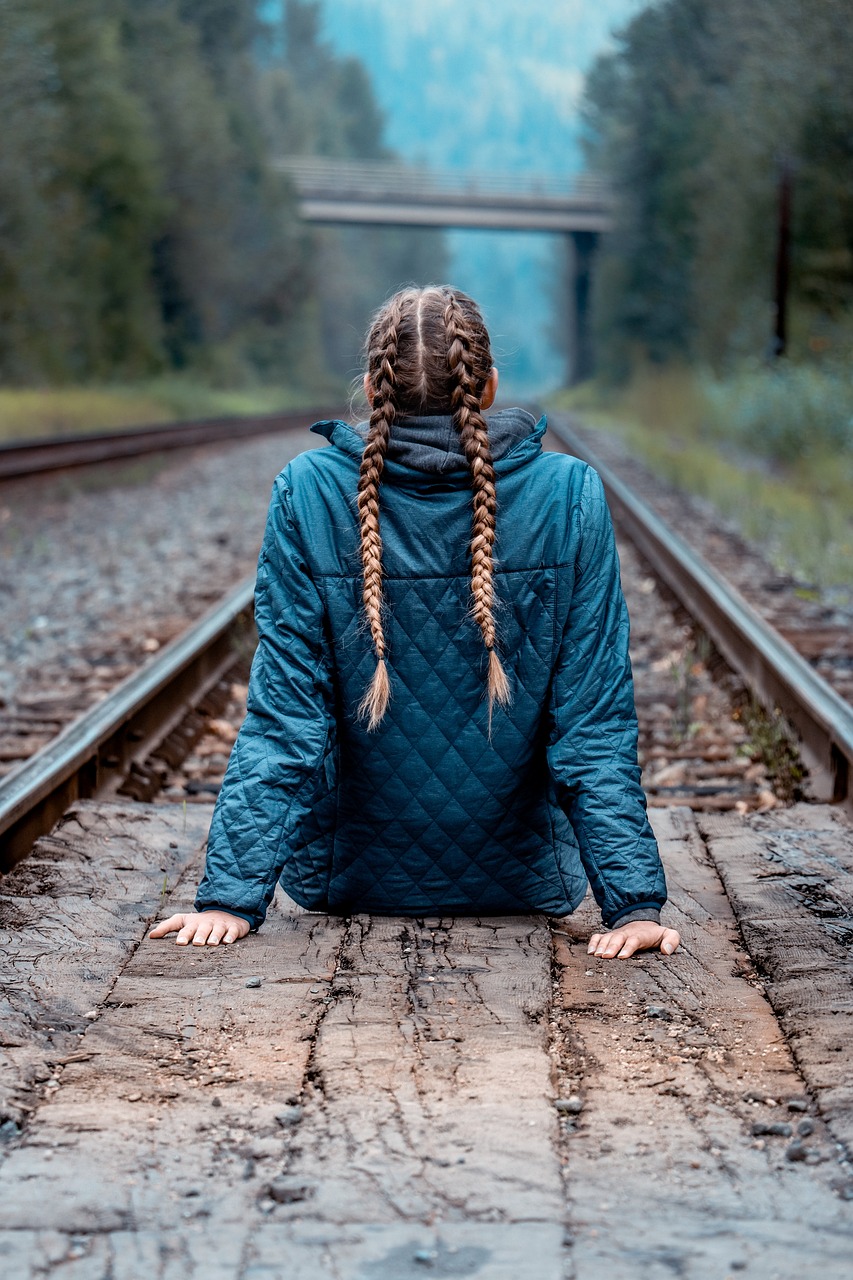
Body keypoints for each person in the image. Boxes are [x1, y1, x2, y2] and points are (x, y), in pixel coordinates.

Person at [151, 285, 680, 961]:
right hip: (526, 881)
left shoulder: (308, 489)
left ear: (373, 391)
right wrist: (632, 905)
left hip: (343, 880)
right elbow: (592, 720)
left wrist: (227, 898)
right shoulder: (567, 493)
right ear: (487, 387)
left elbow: (285, 717)